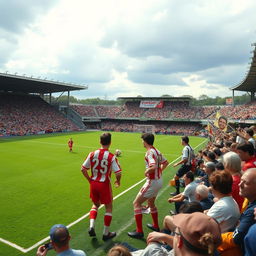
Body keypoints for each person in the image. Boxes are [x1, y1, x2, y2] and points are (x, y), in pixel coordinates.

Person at [81, 132, 122, 241]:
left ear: (100, 141)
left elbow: (83, 169)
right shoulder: (111, 157)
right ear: (110, 143)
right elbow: (118, 172)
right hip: (104, 184)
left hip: (93, 183)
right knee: (109, 207)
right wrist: (118, 181)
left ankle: (91, 226)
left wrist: (89, 179)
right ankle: (105, 233)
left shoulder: (92, 153)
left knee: (95, 205)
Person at [128, 133, 169, 238]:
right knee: (151, 203)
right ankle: (155, 226)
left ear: (145, 141)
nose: (142, 142)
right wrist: (159, 171)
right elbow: (166, 162)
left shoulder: (149, 152)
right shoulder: (157, 151)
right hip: (159, 180)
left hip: (152, 181)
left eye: (142, 140)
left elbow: (153, 166)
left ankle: (139, 231)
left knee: (136, 203)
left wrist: (147, 171)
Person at [130, 212, 222, 256]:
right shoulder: (214, 252)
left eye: (176, 233)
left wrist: (153, 245)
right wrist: (165, 237)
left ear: (179, 242)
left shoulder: (153, 251)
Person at [217, 168, 256, 255]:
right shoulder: (248, 201)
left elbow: (236, 238)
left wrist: (214, 238)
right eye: (241, 180)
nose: (239, 184)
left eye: (245, 183)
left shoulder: (252, 211)